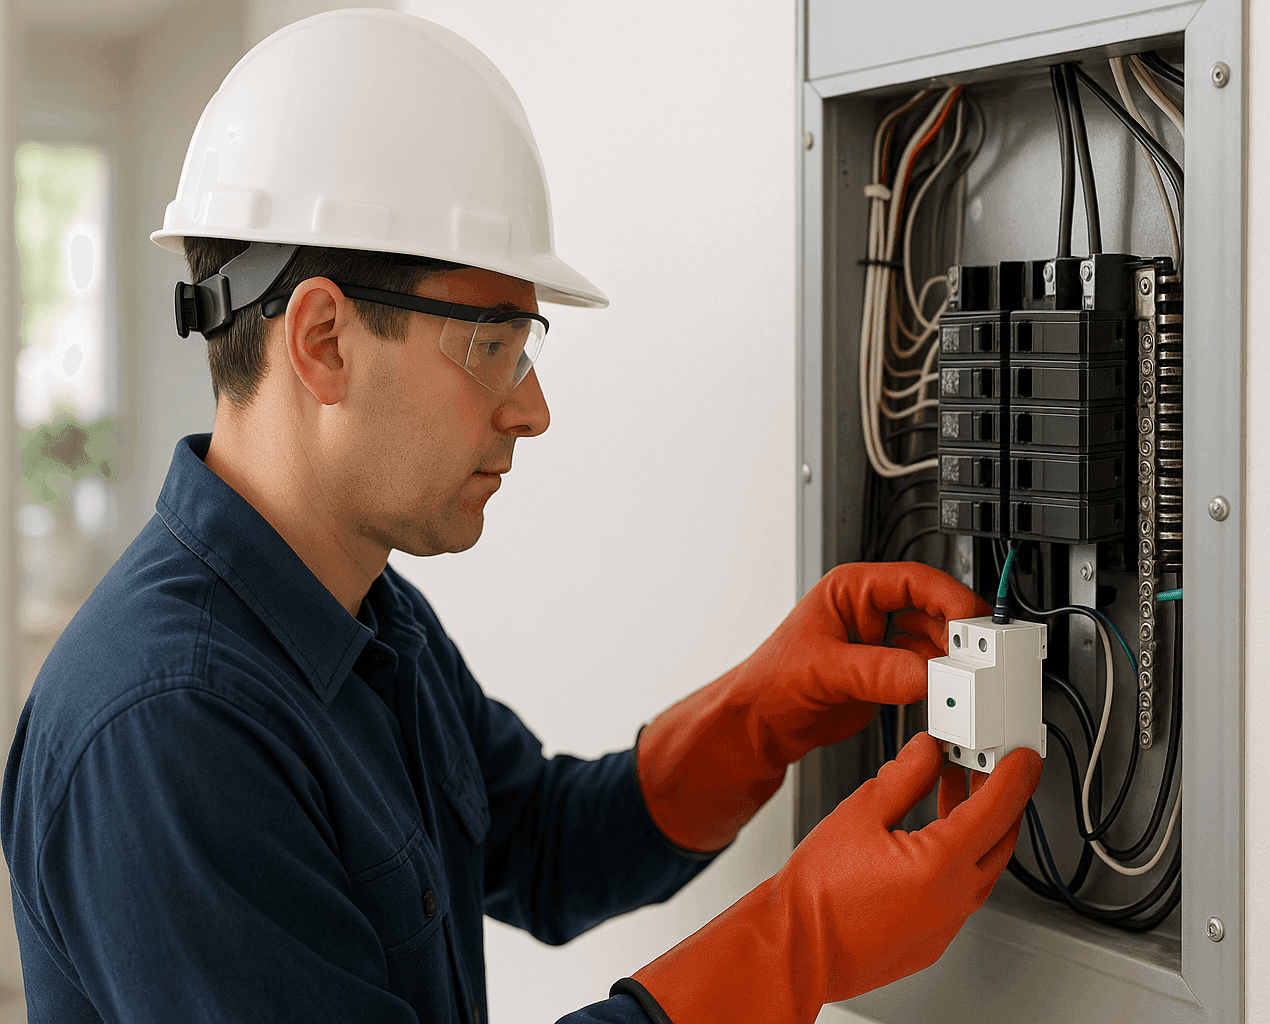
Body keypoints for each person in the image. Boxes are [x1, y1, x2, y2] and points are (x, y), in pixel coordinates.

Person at [0, 11, 1041, 1024]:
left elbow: (545, 844)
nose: (532, 409)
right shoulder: (168, 728)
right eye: (492, 344)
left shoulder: (362, 617)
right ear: (323, 339)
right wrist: (798, 939)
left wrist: (759, 715)